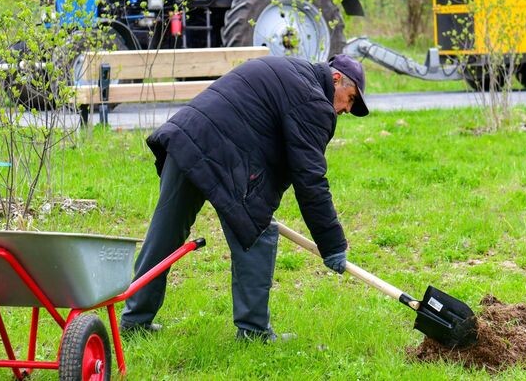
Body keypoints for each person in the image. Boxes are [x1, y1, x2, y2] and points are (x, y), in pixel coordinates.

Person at [120, 54, 369, 342]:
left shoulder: (292, 68)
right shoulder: (314, 102)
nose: (346, 109)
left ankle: (135, 320)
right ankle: (253, 332)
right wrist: (333, 244)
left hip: (187, 137)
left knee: (164, 233)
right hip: (222, 153)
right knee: (256, 230)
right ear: (336, 79)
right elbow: (310, 179)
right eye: (349, 99)